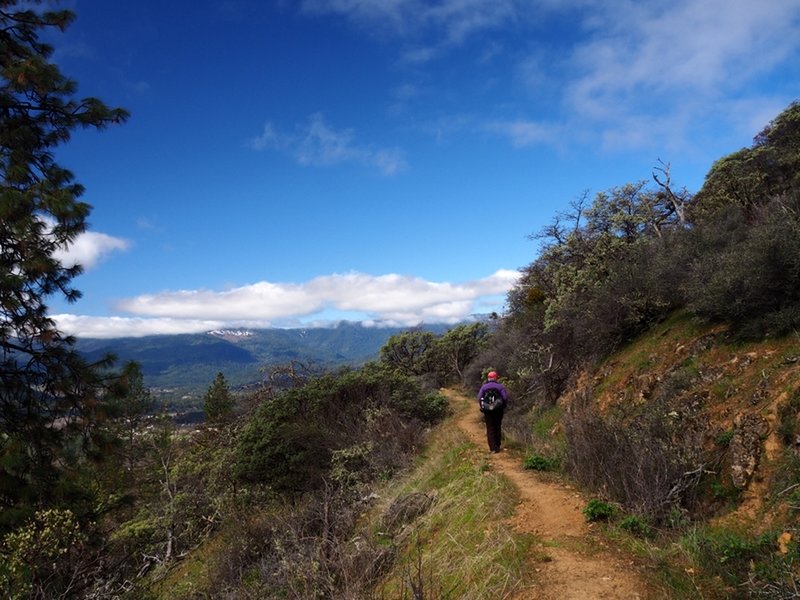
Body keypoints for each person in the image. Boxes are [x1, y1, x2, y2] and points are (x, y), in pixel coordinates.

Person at [477, 371, 509, 453]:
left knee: (490, 428)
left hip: (487, 411)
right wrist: (503, 406)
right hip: (498, 410)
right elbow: (505, 398)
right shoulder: (500, 386)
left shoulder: (484, 387)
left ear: (488, 378)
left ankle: (493, 448)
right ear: (496, 378)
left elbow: (479, 397)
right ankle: (498, 445)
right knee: (497, 426)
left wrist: (482, 407)